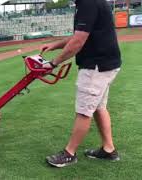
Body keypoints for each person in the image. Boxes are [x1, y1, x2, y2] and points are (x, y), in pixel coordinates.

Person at [41, 0, 122, 168]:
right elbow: (81, 33)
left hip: (96, 66)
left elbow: (78, 41)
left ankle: (69, 153)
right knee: (99, 107)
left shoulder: (88, 3)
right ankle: (109, 150)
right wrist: (56, 45)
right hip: (106, 64)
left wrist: (53, 63)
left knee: (84, 111)